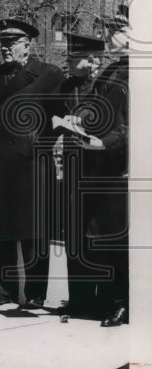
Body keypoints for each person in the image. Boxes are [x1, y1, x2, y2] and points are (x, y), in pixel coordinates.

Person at [0, 18, 62, 309]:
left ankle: (36, 293)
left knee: (33, 231)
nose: (4, 48)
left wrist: (39, 145)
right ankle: (2, 289)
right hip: (0, 162)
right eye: (1, 42)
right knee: (0, 228)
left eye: (11, 43)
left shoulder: (48, 74)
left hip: (32, 163)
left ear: (27, 45)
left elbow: (59, 118)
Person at [56, 30, 129, 326]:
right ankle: (98, 300)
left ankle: (121, 303)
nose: (113, 33)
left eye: (121, 27)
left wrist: (105, 142)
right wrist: (80, 121)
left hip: (120, 167)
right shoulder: (113, 70)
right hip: (98, 165)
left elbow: (132, 124)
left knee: (118, 240)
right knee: (98, 237)